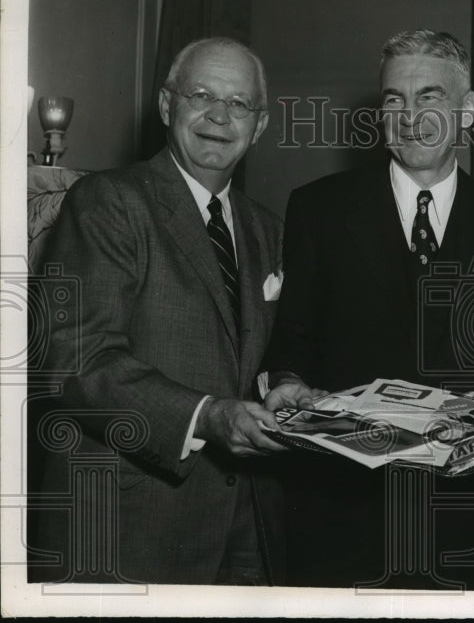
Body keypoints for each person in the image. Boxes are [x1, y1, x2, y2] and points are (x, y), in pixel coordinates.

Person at [263, 29, 474, 589]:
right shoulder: (318, 209)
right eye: (395, 100)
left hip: (457, 515)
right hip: (340, 511)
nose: (410, 118)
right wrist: (288, 379)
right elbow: (292, 336)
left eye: (429, 97)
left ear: (467, 110)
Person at [30, 38, 288, 585]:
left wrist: (287, 385)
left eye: (239, 103)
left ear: (260, 125)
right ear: (168, 106)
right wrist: (208, 416)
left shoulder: (267, 229)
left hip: (240, 535)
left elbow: (253, 354)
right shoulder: (107, 202)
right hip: (124, 532)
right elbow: (76, 362)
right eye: (202, 95)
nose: (219, 116)